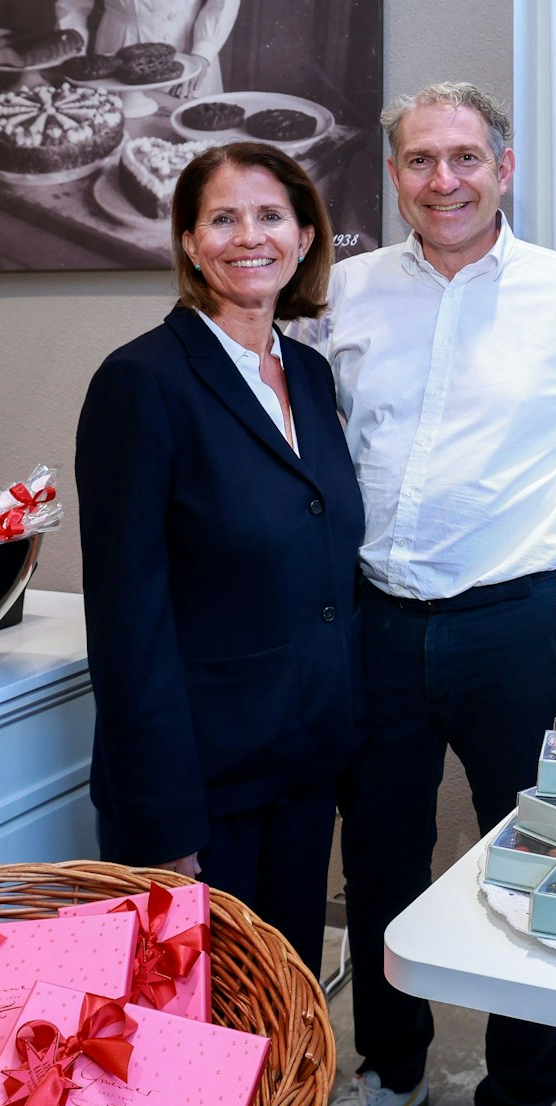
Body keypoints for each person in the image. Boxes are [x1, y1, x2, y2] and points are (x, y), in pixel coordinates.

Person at [296, 82, 556, 1106]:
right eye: (421, 161)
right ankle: (392, 1072)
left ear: (503, 168)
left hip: (520, 630)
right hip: (377, 624)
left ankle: (521, 1095)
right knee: (381, 858)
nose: (444, 180)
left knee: (532, 861)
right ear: (393, 176)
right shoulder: (344, 290)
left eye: (464, 158)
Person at [76, 142, 364, 970]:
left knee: (287, 1000)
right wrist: (162, 823)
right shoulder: (142, 381)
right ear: (191, 241)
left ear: (305, 237)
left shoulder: (308, 374)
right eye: (224, 218)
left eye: (271, 215)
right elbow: (127, 620)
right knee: (204, 1037)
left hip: (303, 766)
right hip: (203, 786)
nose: (250, 237)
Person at [54, 0, 240, 94]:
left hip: (188, 49)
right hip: (116, 44)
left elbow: (222, 3)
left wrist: (203, 51)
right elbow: (73, 5)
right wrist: (71, 47)